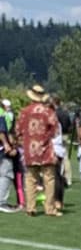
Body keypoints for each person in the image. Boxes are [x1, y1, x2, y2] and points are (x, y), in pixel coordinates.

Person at [14, 85, 60, 217]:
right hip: (46, 149)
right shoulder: (48, 112)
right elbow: (55, 130)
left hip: (30, 149)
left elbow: (18, 130)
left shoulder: (24, 111)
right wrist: (46, 136)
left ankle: (30, 208)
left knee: (30, 179)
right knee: (49, 179)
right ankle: (49, 208)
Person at [0, 98, 19, 212]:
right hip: (2, 148)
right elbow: (2, 131)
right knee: (6, 174)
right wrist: (7, 145)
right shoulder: (1, 113)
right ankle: (2, 202)